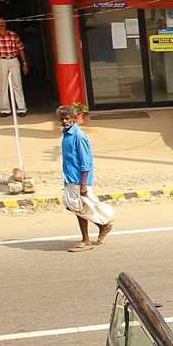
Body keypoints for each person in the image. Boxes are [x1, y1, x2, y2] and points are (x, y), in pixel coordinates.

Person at [59, 106, 114, 252]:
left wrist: (83, 184)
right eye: (62, 119)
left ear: (73, 118)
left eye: (67, 118)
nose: (64, 121)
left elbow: (86, 162)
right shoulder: (66, 134)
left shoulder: (79, 136)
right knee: (75, 207)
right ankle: (101, 226)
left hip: (79, 180)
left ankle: (87, 239)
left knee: (79, 208)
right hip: (70, 179)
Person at [0, 16, 27, 115]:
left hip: (13, 60)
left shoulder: (12, 34)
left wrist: (24, 63)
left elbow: (20, 49)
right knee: (2, 86)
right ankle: (4, 109)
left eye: (4, 22)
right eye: (0, 22)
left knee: (17, 85)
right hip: (0, 60)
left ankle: (21, 109)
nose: (2, 24)